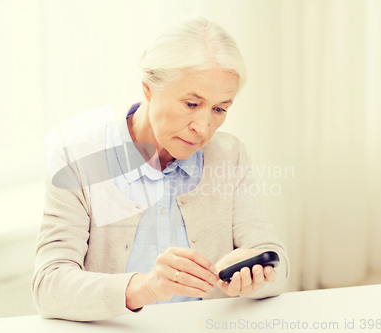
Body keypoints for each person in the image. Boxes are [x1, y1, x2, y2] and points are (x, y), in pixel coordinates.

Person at [31, 15, 289, 322]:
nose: (204, 127)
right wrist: (145, 287)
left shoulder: (229, 154)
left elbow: (276, 261)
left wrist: (257, 276)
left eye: (220, 109)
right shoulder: (78, 162)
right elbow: (49, 286)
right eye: (191, 104)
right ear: (148, 87)